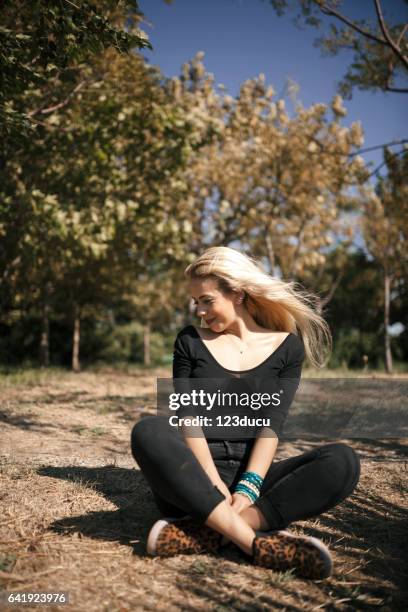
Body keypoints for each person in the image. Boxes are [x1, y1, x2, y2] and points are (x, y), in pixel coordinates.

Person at [130, 246, 360, 579]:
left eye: (207, 301)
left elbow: (272, 424)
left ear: (237, 293)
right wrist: (212, 487)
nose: (200, 312)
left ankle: (211, 529)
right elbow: (188, 419)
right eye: (197, 303)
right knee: (148, 431)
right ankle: (255, 545)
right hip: (193, 479)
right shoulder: (189, 341)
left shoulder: (287, 347)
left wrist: (247, 489)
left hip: (253, 483)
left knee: (343, 462)